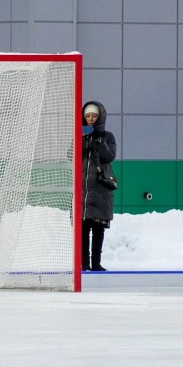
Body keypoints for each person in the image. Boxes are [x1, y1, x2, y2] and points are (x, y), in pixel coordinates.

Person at [82, 101, 117, 272]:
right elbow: (71, 155)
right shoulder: (80, 134)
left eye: (94, 116)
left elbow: (109, 156)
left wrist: (99, 141)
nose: (90, 119)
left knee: (98, 229)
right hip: (84, 191)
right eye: (88, 116)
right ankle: (84, 263)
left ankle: (96, 264)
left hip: (101, 190)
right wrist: (83, 139)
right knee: (83, 229)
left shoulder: (108, 136)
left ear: (100, 117)